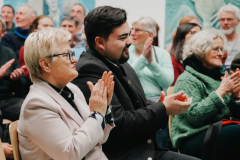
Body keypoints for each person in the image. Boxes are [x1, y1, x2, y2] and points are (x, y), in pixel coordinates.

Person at [72, 6, 199, 160]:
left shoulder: (119, 61)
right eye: (122, 37)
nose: (130, 41)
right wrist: (163, 109)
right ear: (99, 42)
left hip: (147, 148)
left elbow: (137, 102)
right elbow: (119, 123)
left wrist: (162, 104)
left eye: (130, 34)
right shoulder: (90, 69)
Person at [18, 27, 115, 160]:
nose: (74, 60)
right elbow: (70, 153)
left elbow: (99, 138)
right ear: (45, 64)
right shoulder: (36, 104)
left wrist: (104, 109)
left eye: (73, 53)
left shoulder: (71, 89)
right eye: (67, 55)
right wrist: (97, 114)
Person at [171, 29, 240, 160]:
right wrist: (221, 92)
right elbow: (194, 116)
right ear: (201, 50)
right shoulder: (187, 79)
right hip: (192, 137)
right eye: (216, 49)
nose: (221, 54)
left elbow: (232, 115)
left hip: (220, 131)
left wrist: (236, 97)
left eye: (222, 49)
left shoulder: (219, 76)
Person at [129, 16, 173, 101]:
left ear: (150, 34)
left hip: (156, 102)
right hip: (131, 101)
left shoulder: (163, 54)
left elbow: (167, 82)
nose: (132, 33)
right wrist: (143, 59)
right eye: (132, 29)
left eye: (137, 30)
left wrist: (152, 63)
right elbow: (126, 77)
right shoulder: (125, 52)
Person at [219, 4, 240, 72]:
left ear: (238, 21)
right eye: (222, 19)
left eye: (229, 19)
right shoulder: (213, 42)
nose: (225, 22)